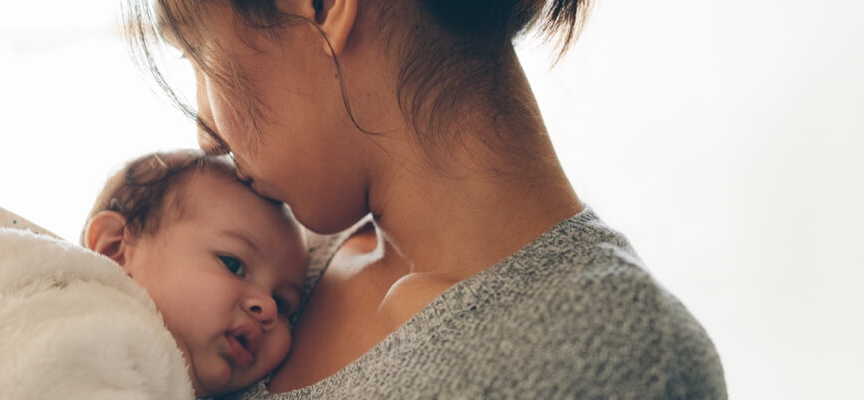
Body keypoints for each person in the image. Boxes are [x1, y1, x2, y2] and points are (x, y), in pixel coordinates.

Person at [125, 0, 728, 398]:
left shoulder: (623, 357)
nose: (206, 136)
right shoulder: (279, 263)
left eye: (200, 54)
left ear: (324, 6)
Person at [0, 150, 310, 399]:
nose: (267, 307)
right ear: (115, 249)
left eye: (283, 305)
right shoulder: (101, 319)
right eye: (232, 264)